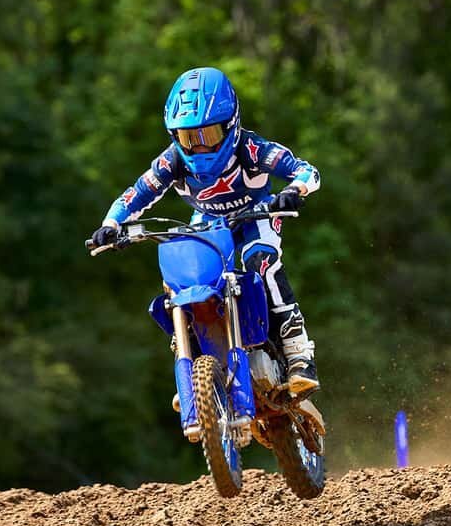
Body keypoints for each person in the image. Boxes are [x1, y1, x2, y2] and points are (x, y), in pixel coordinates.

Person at [90, 66, 320, 396]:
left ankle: (298, 353)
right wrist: (111, 224)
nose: (198, 147)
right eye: (188, 138)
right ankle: (193, 365)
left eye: (208, 136)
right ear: (175, 136)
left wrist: (295, 190)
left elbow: (306, 171)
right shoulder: (171, 161)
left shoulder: (252, 149)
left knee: (262, 262)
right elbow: (137, 193)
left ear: (231, 125)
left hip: (257, 214)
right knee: (183, 279)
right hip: (209, 221)